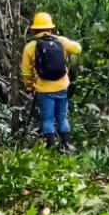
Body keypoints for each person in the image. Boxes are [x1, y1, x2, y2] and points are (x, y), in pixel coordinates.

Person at [20, 11, 82, 152]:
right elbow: (78, 49)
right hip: (62, 87)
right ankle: (66, 145)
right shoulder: (60, 42)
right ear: (50, 28)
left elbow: (25, 71)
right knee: (62, 117)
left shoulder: (30, 47)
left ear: (35, 29)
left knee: (47, 119)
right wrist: (62, 40)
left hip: (43, 89)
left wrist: (29, 87)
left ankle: (50, 146)